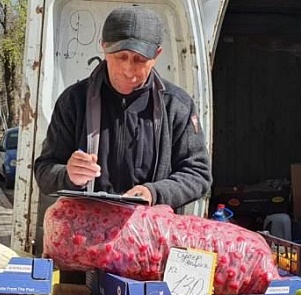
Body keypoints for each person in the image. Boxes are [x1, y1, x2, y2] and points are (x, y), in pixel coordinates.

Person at [33, 5, 212, 209]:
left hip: (149, 233)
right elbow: (44, 171)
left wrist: (155, 192)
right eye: (120, 56)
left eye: (140, 59)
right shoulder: (73, 101)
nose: (128, 70)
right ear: (104, 47)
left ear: (157, 55)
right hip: (87, 231)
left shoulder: (177, 105)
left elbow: (198, 175)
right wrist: (68, 174)